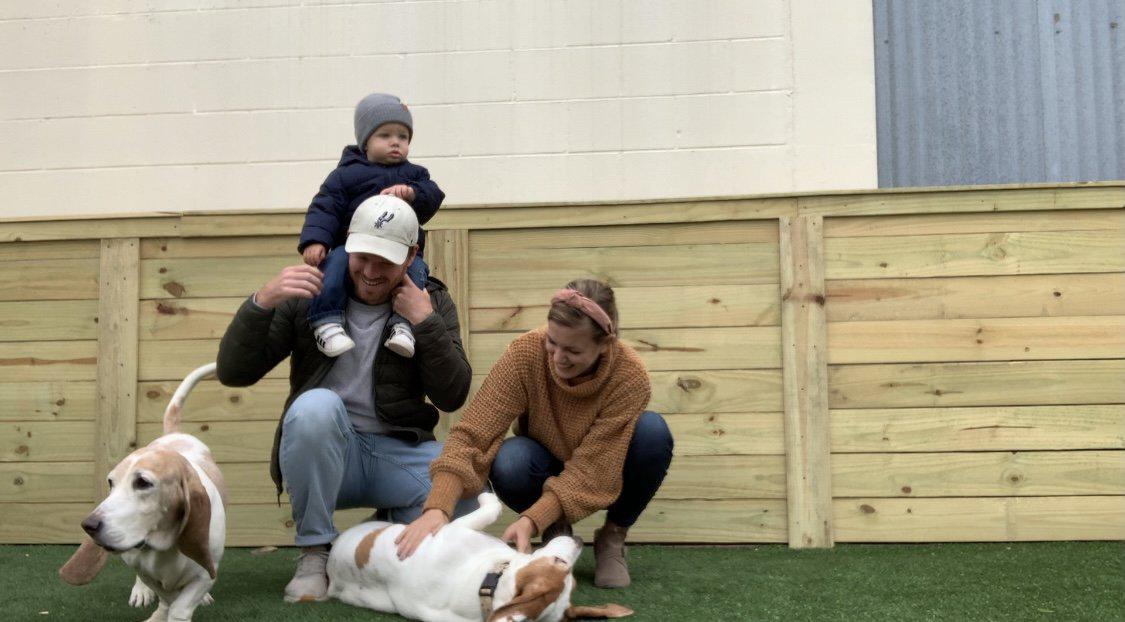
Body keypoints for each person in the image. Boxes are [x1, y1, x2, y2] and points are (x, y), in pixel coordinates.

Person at [216, 195, 473, 603]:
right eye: (362, 256)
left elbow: (453, 395)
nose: (370, 272)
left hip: (396, 452)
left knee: (470, 489)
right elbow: (234, 373)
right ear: (348, 244)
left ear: (412, 255)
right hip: (327, 453)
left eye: (385, 261)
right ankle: (315, 553)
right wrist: (261, 303)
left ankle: (376, 533)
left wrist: (425, 322)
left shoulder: (433, 299)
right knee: (315, 408)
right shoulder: (310, 292)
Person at [395, 279, 675, 589]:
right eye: (552, 342)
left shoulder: (630, 377)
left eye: (573, 350)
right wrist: (438, 507)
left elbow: (591, 470)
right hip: (541, 460)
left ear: (605, 345)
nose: (557, 358)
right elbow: (474, 433)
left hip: (602, 467)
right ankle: (557, 532)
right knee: (509, 459)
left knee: (653, 434)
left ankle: (613, 537)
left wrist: (531, 519)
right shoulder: (527, 352)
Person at [299, 92, 445, 360]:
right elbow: (325, 206)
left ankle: (402, 326)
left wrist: (413, 193)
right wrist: (315, 240)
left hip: (400, 250)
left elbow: (433, 196)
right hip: (353, 247)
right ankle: (327, 321)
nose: (395, 143)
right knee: (333, 265)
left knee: (416, 272)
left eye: (403, 137)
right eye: (385, 135)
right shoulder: (346, 174)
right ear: (365, 141)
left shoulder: (415, 175)